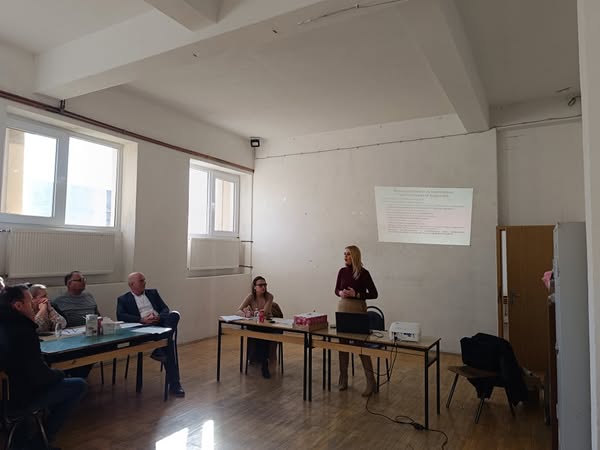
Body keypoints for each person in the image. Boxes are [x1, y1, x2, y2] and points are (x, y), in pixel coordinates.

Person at [0, 285, 87, 450]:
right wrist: (59, 374)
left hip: (7, 394)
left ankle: (26, 437)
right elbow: (38, 375)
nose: (33, 304)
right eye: (30, 301)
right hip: (22, 397)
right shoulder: (23, 329)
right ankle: (41, 442)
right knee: (78, 385)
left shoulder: (6, 324)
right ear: (18, 306)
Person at [116, 272, 185, 397]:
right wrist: (141, 320)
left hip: (159, 324)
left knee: (174, 315)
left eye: (144, 280)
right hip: (142, 329)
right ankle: (175, 384)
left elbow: (165, 308)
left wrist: (159, 317)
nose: (145, 283)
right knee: (168, 344)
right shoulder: (123, 299)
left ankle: (160, 348)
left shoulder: (153, 293)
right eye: (141, 281)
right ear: (132, 284)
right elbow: (121, 316)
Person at [334, 245, 379, 396]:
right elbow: (336, 290)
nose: (345, 257)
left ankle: (371, 382)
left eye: (348, 254)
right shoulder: (342, 271)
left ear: (354, 256)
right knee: (343, 345)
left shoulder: (364, 273)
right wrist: (340, 293)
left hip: (357, 309)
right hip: (343, 308)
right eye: (344, 254)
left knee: (361, 346)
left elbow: (374, 294)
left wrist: (357, 294)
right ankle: (343, 379)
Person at [237, 276, 274, 378]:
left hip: (267, 324)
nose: (263, 287)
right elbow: (239, 310)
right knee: (258, 334)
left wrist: (252, 312)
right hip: (255, 325)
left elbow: (264, 312)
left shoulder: (269, 296)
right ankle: (263, 362)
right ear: (254, 287)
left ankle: (264, 364)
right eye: (260, 285)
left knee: (262, 335)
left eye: (265, 285)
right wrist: (245, 313)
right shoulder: (250, 297)